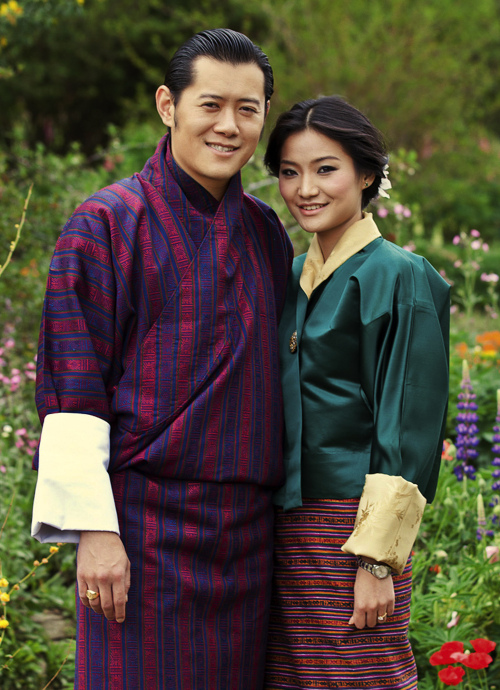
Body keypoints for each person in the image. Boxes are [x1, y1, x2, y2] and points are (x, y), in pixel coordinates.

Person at [31, 28, 292, 689]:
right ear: (167, 105)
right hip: (142, 535)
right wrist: (94, 531)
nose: (229, 126)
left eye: (248, 108)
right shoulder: (106, 225)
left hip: (247, 540)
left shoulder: (266, 233)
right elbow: (72, 386)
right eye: (210, 104)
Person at [263, 96, 450, 689]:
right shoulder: (290, 275)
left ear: (366, 174)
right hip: (282, 528)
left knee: (362, 674)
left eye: (325, 168)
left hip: (354, 529)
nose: (305, 189)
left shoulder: (400, 274)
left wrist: (376, 561)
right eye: (290, 172)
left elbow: (408, 423)